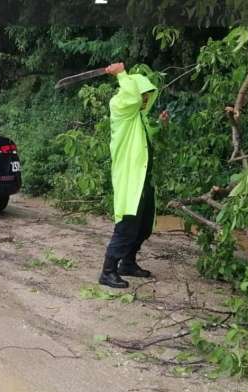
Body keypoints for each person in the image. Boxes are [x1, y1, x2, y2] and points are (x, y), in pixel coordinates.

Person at [99, 62, 169, 288]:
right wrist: (121, 74)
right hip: (130, 181)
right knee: (127, 226)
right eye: (143, 95)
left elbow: (150, 134)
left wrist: (161, 124)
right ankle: (107, 271)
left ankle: (127, 263)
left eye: (148, 96)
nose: (146, 100)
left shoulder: (138, 119)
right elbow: (128, 96)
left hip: (143, 182)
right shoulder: (120, 108)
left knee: (144, 226)